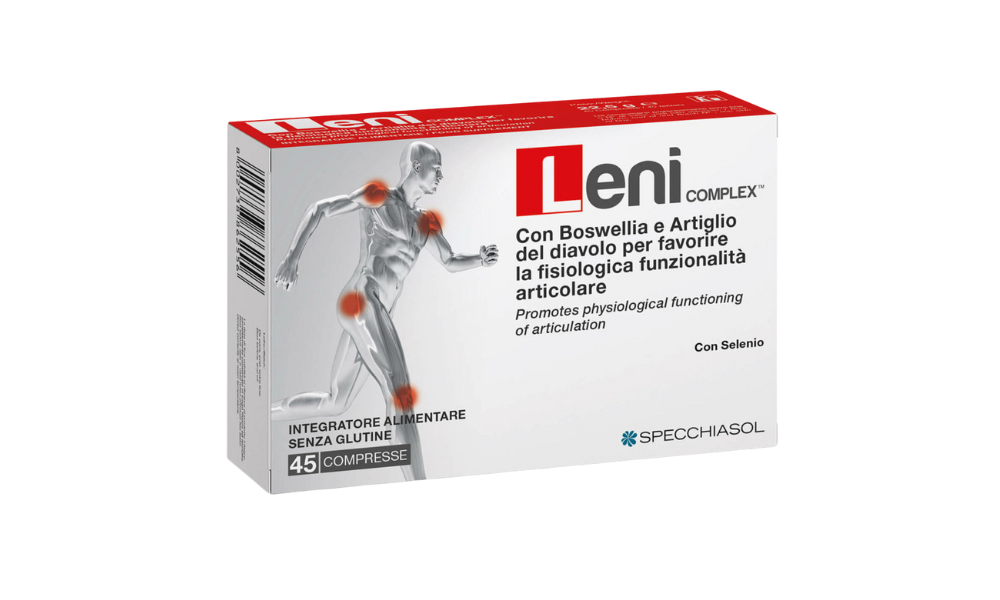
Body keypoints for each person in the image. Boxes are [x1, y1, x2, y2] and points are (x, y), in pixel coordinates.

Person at [271, 141, 498, 481]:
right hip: (363, 299)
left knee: (335, 402)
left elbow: (450, 260)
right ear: (417, 166)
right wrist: (292, 257)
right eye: (437, 169)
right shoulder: (378, 197)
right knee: (400, 390)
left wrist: (479, 259)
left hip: (379, 313)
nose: (441, 176)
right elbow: (319, 208)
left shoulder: (426, 223)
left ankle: (262, 413)